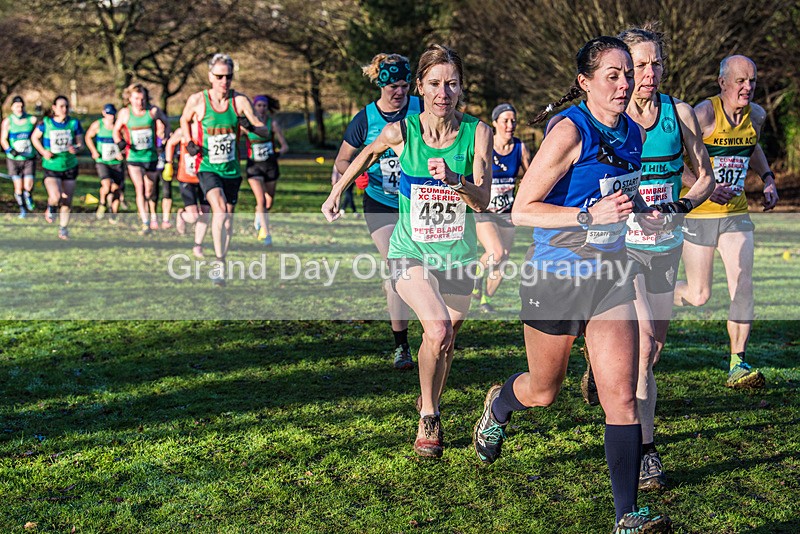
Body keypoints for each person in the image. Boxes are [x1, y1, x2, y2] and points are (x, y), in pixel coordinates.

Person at [472, 37, 672, 532]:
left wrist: (644, 214)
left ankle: (627, 515)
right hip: (555, 277)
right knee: (544, 392)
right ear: (585, 83)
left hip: (610, 275)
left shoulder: (632, 133)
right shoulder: (568, 131)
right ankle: (499, 405)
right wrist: (587, 215)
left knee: (621, 396)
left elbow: (619, 192)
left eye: (628, 73)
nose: (625, 83)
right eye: (613, 74)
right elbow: (521, 210)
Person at [324, 44, 492, 458]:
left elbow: (483, 200)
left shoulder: (478, 133)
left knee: (446, 338)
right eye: (434, 84)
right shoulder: (404, 131)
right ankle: (430, 415)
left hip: (457, 254)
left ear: (460, 88)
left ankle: (428, 397)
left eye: (452, 84)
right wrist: (336, 192)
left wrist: (455, 179)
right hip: (409, 249)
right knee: (435, 330)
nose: (443, 93)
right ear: (421, 87)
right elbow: (366, 153)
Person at [579, 25, 715, 493]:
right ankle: (646, 450)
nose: (649, 73)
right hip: (622, 248)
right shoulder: (609, 123)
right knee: (640, 352)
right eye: (640, 65)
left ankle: (601, 364)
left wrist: (678, 207)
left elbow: (706, 177)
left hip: (665, 246)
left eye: (656, 63)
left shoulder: (677, 114)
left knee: (652, 351)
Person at [673, 55, 779, 389]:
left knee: (743, 282)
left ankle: (738, 362)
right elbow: (671, 156)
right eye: (740, 81)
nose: (747, 87)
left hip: (736, 215)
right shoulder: (703, 114)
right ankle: (649, 292)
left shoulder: (756, 115)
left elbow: (753, 145)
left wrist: (768, 177)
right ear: (722, 83)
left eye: (752, 81)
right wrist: (702, 186)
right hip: (701, 215)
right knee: (699, 294)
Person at [329, 53, 423, 370]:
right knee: (396, 266)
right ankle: (402, 346)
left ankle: (434, 332)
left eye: (405, 85)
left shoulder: (420, 110)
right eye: (394, 86)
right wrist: (357, 173)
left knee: (429, 268)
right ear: (381, 85)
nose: (400, 92)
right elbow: (342, 161)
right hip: (380, 203)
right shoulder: (366, 120)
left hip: (419, 204)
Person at [179, 53, 274, 286]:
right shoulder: (198, 100)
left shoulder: (239, 101)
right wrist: (189, 141)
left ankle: (222, 259)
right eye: (220, 76)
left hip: (231, 170)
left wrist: (249, 125)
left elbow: (264, 131)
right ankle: (219, 265)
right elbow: (183, 120)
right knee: (219, 210)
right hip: (207, 166)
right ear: (211, 76)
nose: (224, 81)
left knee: (228, 220)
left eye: (228, 76)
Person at [472, 103, 531, 312]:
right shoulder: (484, 147)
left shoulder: (520, 148)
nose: (510, 125)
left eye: (513, 120)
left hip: (507, 213)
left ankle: (484, 299)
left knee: (504, 258)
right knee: (495, 252)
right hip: (485, 212)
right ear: (495, 122)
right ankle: (474, 276)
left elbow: (532, 177)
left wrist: (526, 186)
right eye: (505, 120)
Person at [113, 83, 170, 234]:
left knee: (149, 190)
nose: (140, 102)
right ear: (130, 99)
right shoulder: (125, 113)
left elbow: (166, 123)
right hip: (134, 157)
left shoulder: (153, 111)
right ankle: (145, 222)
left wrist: (164, 138)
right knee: (140, 188)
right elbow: (115, 131)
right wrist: (120, 143)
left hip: (150, 156)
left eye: (142, 99)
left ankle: (151, 214)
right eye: (137, 99)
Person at [30, 95, 84, 240]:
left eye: (66, 106)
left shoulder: (74, 123)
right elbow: (34, 138)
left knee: (67, 200)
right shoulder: (46, 123)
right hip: (51, 166)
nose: (64, 109)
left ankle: (63, 228)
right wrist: (43, 152)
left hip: (70, 166)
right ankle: (51, 207)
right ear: (54, 108)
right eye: (61, 106)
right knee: (56, 196)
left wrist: (76, 148)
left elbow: (81, 144)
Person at [245, 94, 288, 246]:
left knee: (268, 202)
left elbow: (285, 146)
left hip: (270, 165)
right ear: (254, 107)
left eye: (264, 106)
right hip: (254, 167)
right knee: (261, 200)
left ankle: (259, 215)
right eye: (259, 106)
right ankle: (267, 233)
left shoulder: (272, 124)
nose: (261, 109)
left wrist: (277, 153)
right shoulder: (247, 126)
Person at [163, 124, 209, 258]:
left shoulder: (207, 128)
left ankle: (198, 245)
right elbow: (170, 144)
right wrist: (168, 163)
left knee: (205, 212)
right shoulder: (183, 131)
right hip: (186, 178)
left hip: (205, 176)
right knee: (194, 216)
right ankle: (182, 215)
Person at [85, 103, 124, 222]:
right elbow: (88, 137)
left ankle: (114, 213)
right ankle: (102, 203)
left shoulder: (119, 127)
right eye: (108, 114)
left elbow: (127, 141)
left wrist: (122, 152)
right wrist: (94, 151)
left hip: (116, 162)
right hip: (102, 161)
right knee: (106, 186)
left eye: (112, 114)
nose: (110, 117)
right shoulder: (98, 125)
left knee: (116, 189)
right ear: (103, 113)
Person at [2, 96, 38, 218]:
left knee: (28, 185)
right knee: (18, 187)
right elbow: (3, 139)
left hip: (28, 158)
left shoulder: (32, 120)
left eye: (21, 106)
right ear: (12, 107)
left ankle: (29, 197)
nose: (19, 109)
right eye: (17, 106)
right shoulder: (8, 121)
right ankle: (22, 209)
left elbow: (38, 136)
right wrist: (9, 150)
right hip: (13, 160)